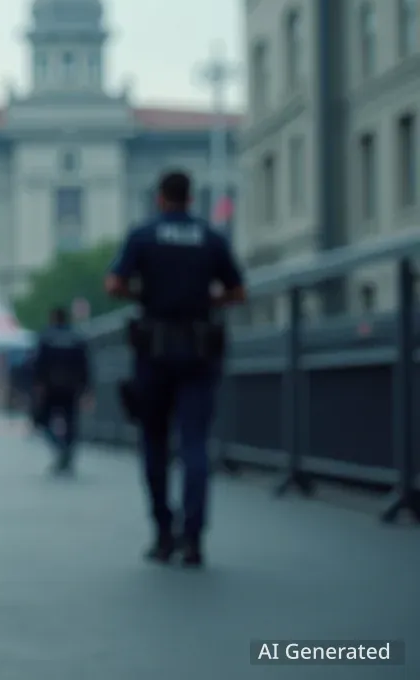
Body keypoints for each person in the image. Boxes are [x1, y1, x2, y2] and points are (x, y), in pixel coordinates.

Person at [106, 170, 245, 568]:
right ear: (190, 198)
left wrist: (145, 293)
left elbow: (113, 285)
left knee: (153, 441)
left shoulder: (144, 234)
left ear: (160, 198)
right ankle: (194, 537)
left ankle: (163, 532)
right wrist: (206, 302)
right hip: (199, 351)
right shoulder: (210, 237)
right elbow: (237, 292)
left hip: (153, 352)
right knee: (195, 443)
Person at [30, 306, 91, 475]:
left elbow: (38, 365)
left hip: (50, 386)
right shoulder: (77, 338)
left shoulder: (45, 337)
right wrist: (86, 387)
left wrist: (37, 386)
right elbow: (85, 365)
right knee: (71, 422)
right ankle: (67, 452)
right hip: (72, 386)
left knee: (42, 421)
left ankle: (60, 448)